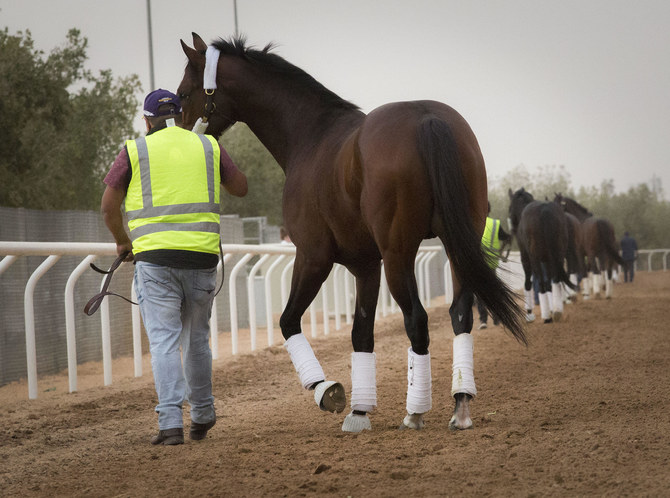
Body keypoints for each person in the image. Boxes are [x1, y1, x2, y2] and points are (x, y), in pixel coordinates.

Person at [101, 89, 248, 445]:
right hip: (201, 260)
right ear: (182, 116)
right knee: (197, 341)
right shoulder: (209, 146)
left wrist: (123, 241)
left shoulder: (134, 150)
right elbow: (240, 187)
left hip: (155, 262)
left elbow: (108, 206)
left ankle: (170, 426)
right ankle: (203, 414)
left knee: (164, 343)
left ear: (147, 121)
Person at [477, 202, 512, 329]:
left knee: (480, 293)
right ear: (490, 210)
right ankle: (497, 318)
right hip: (492, 263)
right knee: (494, 291)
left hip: (479, 263)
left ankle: (483, 320)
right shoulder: (495, 224)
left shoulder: (474, 222)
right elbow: (506, 238)